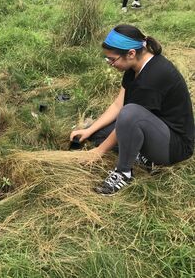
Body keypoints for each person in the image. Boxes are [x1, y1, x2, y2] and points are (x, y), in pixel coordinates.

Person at [70, 24, 194, 196]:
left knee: (128, 116)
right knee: (98, 135)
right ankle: (139, 155)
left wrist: (99, 152)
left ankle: (124, 173)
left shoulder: (154, 76)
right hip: (154, 127)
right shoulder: (134, 67)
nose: (110, 64)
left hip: (174, 145)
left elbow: (129, 115)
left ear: (131, 53)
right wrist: (88, 130)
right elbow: (117, 105)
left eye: (112, 60)